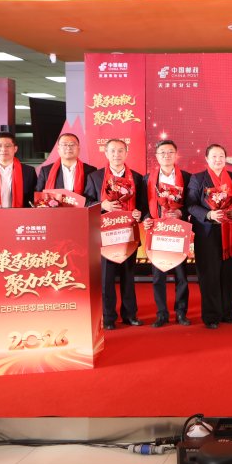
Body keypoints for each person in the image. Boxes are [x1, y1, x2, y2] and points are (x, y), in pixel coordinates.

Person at [84, 139, 147, 330]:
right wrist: (102, 204)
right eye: (112, 151)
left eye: (120, 151)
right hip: (105, 236)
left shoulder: (137, 178)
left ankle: (130, 315)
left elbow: (143, 205)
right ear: (106, 153)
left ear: (126, 153)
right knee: (106, 278)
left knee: (128, 276)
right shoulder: (95, 177)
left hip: (128, 234)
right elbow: (86, 202)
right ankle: (108, 317)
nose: (116, 154)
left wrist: (140, 214)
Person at [187, 144, 232, 329]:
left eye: (221, 156)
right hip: (207, 233)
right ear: (207, 159)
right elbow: (190, 205)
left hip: (230, 233)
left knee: (229, 274)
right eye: (214, 156)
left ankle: (228, 313)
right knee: (209, 275)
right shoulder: (198, 178)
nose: (218, 160)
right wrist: (208, 214)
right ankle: (211, 316)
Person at [142, 140, 192, 327]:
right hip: (158, 232)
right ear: (156, 156)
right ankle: (161, 314)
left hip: (178, 232)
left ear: (176, 154)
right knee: (158, 277)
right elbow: (143, 204)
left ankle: (181, 312)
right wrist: (146, 218)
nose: (166, 155)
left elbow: (191, 203)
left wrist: (180, 212)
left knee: (181, 276)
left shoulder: (186, 177)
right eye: (162, 152)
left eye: (170, 152)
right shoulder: (147, 179)